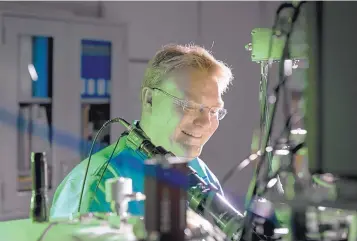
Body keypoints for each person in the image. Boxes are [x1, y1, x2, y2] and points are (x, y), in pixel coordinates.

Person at [50, 44, 233, 219]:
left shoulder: (201, 175)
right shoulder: (95, 184)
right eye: (189, 105)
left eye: (214, 111)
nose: (205, 122)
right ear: (149, 99)